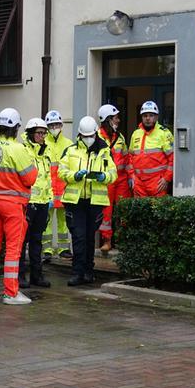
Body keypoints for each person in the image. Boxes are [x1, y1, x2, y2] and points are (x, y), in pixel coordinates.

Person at [0, 108, 38, 305]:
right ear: (15, 128)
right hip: (13, 204)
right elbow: (30, 178)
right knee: (13, 249)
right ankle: (11, 293)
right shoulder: (17, 149)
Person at [61, 116, 117, 286]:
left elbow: (113, 174)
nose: (88, 139)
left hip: (94, 202)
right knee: (78, 237)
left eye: (90, 136)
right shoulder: (71, 151)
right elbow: (61, 172)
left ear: (95, 134)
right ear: (79, 135)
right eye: (85, 136)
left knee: (89, 238)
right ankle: (77, 272)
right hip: (75, 201)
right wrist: (74, 176)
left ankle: (88, 272)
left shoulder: (105, 151)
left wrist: (103, 176)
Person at [19, 118, 52, 288]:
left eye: (44, 133)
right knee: (22, 240)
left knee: (37, 240)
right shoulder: (24, 151)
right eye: (39, 133)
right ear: (31, 133)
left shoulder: (45, 152)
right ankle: (19, 276)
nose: (42, 136)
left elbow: (48, 178)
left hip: (43, 203)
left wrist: (50, 198)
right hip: (28, 202)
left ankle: (36, 276)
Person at [96, 104, 129, 253]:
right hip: (106, 180)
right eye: (116, 118)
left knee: (123, 209)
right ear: (108, 120)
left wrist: (131, 176)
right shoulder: (97, 137)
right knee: (106, 211)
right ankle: (107, 241)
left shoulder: (120, 137)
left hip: (121, 179)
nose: (118, 120)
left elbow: (127, 158)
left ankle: (122, 240)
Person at [42, 110, 72, 259]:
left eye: (57, 124)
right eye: (51, 125)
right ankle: (46, 249)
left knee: (64, 221)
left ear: (61, 125)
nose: (54, 127)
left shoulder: (68, 144)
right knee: (46, 221)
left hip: (64, 189)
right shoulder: (42, 143)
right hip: (47, 190)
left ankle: (64, 249)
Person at [129, 100, 174, 197]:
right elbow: (130, 157)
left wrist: (166, 178)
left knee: (157, 211)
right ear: (141, 117)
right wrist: (132, 176)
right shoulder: (136, 134)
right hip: (139, 183)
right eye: (145, 116)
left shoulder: (164, 133)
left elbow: (173, 159)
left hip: (157, 183)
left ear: (156, 117)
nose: (148, 118)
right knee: (140, 211)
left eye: (151, 115)